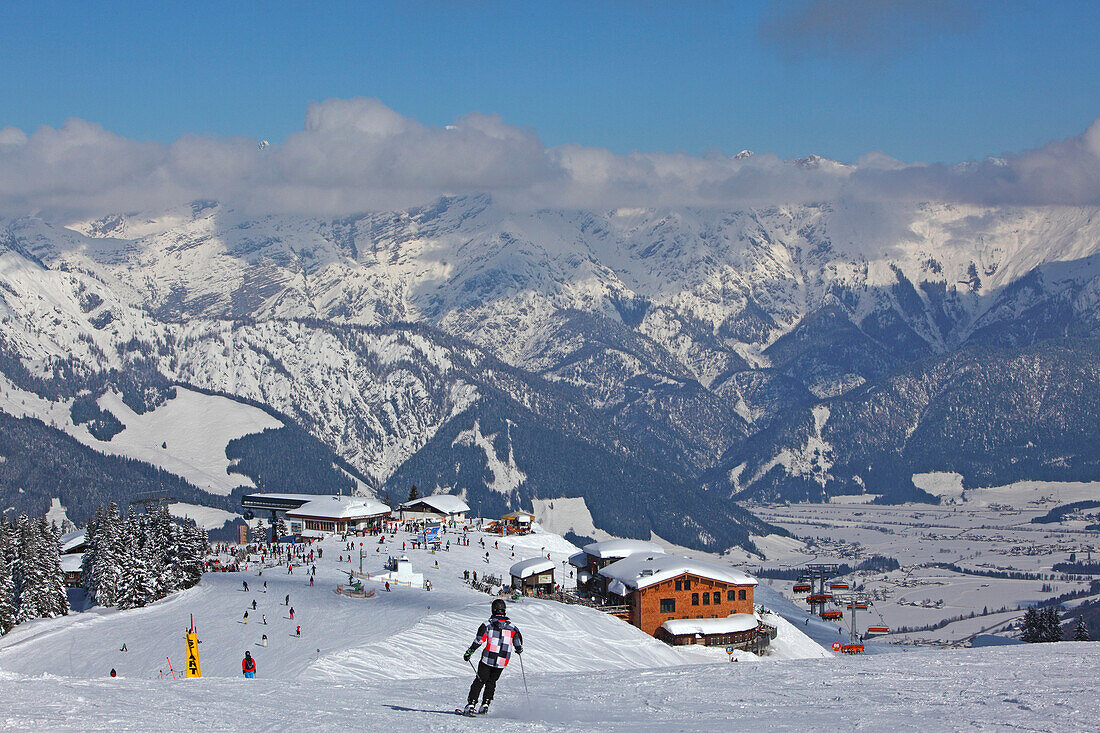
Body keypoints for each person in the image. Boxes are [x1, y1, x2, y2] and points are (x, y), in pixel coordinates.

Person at [462, 599, 523, 716]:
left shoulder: (487, 625)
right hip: (502, 660)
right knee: (492, 681)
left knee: (480, 680)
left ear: (493, 610)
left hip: (488, 657)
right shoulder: (513, 628)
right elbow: (518, 644)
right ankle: (485, 704)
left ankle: (471, 704)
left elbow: (479, 640)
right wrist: (518, 649)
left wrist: (469, 652)